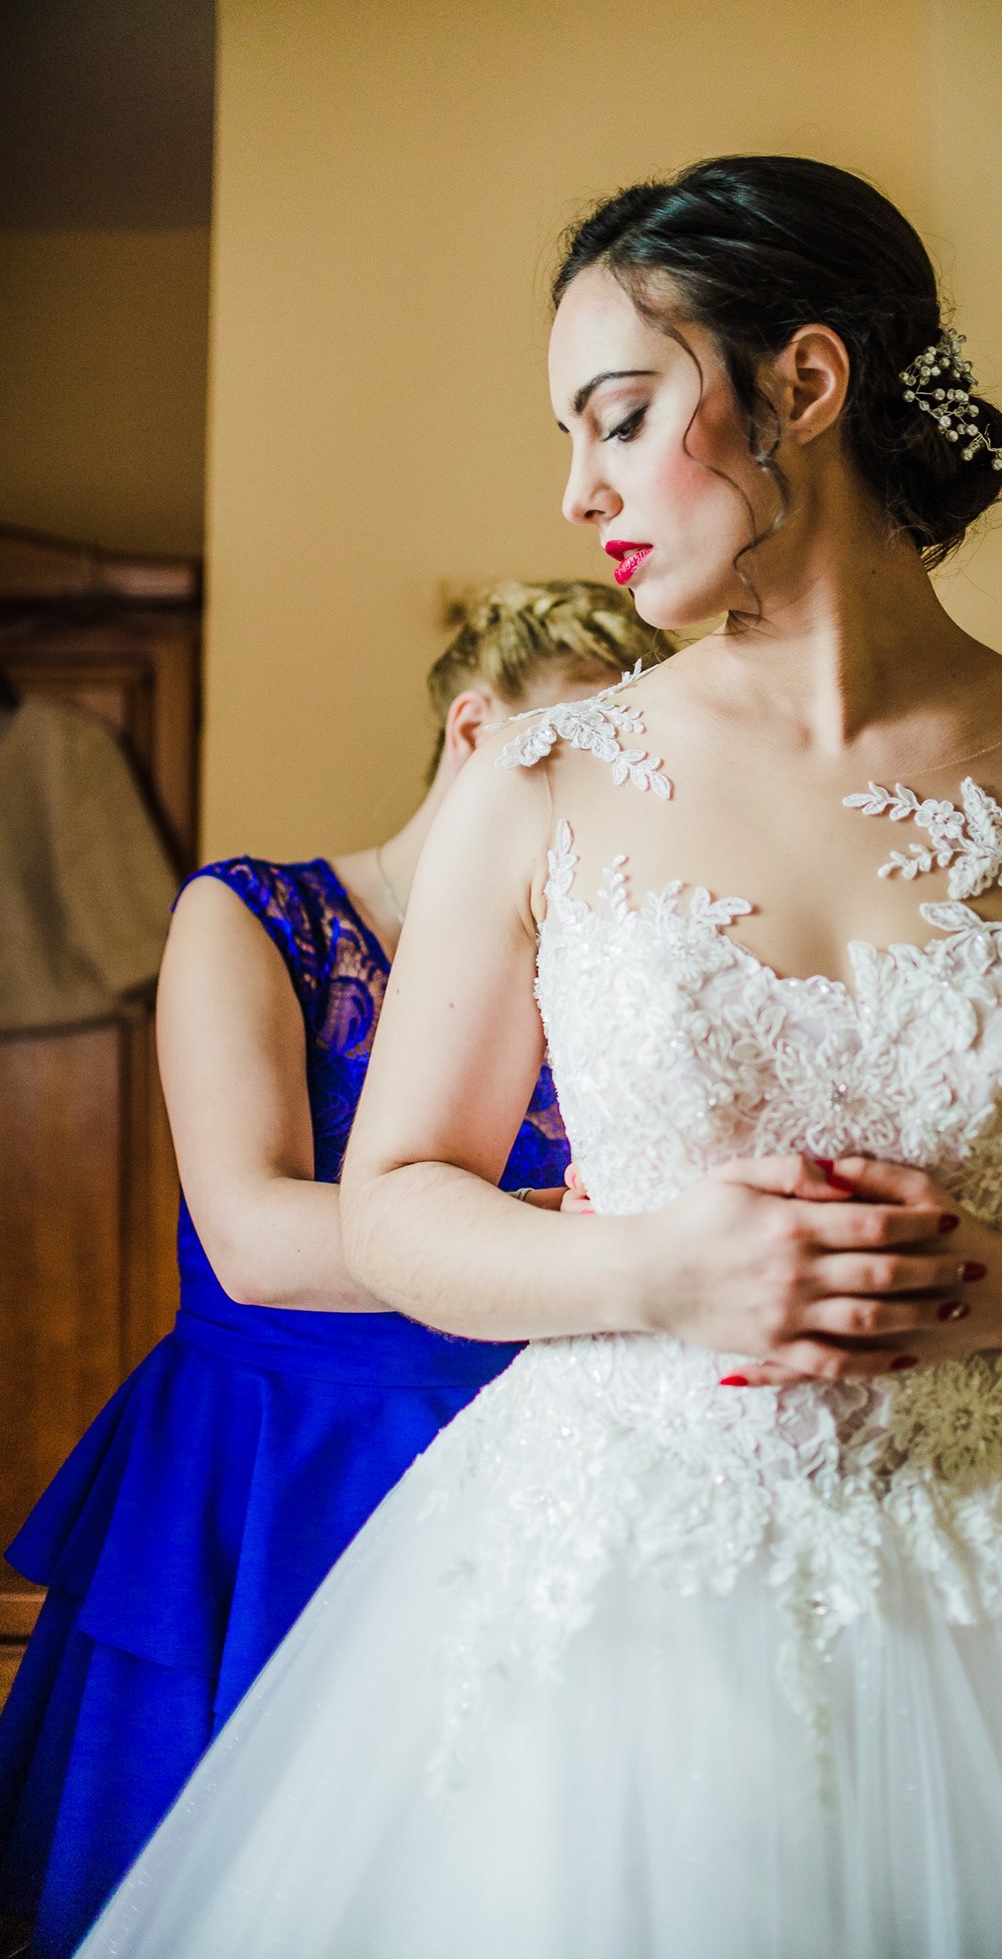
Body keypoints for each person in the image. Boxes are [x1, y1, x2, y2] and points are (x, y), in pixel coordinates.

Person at [75, 157, 1002, 1955]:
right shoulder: (543, 781)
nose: (575, 491)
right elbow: (396, 1200)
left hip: (988, 1572)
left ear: (804, 383)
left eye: (617, 417)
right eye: (568, 435)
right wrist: (660, 1271)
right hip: (610, 1577)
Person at [0, 580, 669, 1958]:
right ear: (476, 732)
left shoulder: (607, 963)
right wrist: (581, 1236)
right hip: (281, 1465)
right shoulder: (255, 918)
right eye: (580, 749)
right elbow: (253, 1236)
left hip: (535, 1452)